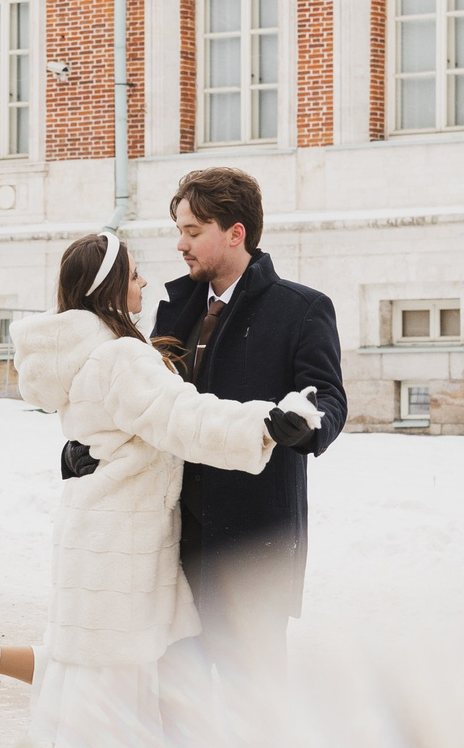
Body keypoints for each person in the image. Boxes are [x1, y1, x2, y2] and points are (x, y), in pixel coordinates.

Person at [0, 230, 321, 748]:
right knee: (112, 698)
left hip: (98, 533)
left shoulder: (86, 350)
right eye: (134, 273)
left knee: (86, 669)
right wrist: (263, 423)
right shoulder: (121, 358)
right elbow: (183, 417)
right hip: (125, 543)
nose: (144, 281)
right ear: (113, 286)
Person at [143, 166, 345, 674]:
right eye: (179, 231)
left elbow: (327, 398)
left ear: (236, 233)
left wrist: (306, 425)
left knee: (251, 703)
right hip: (175, 544)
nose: (181, 245)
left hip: (253, 548)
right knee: (175, 700)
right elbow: (146, 402)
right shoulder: (174, 312)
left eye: (193, 232)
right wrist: (90, 450)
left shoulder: (301, 309)